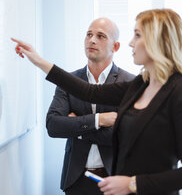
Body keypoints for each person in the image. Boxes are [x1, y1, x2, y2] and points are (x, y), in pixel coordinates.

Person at [12, 8, 182, 195]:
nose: (131, 43)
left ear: (158, 42)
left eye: (137, 35)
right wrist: (38, 61)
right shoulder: (140, 85)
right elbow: (88, 91)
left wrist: (132, 184)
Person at [46, 18, 135, 194]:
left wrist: (76, 128)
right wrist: (99, 120)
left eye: (101, 36)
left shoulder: (130, 83)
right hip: (76, 179)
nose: (92, 40)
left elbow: (124, 136)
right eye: (89, 34)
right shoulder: (69, 81)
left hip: (116, 178)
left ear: (115, 47)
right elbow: (53, 126)